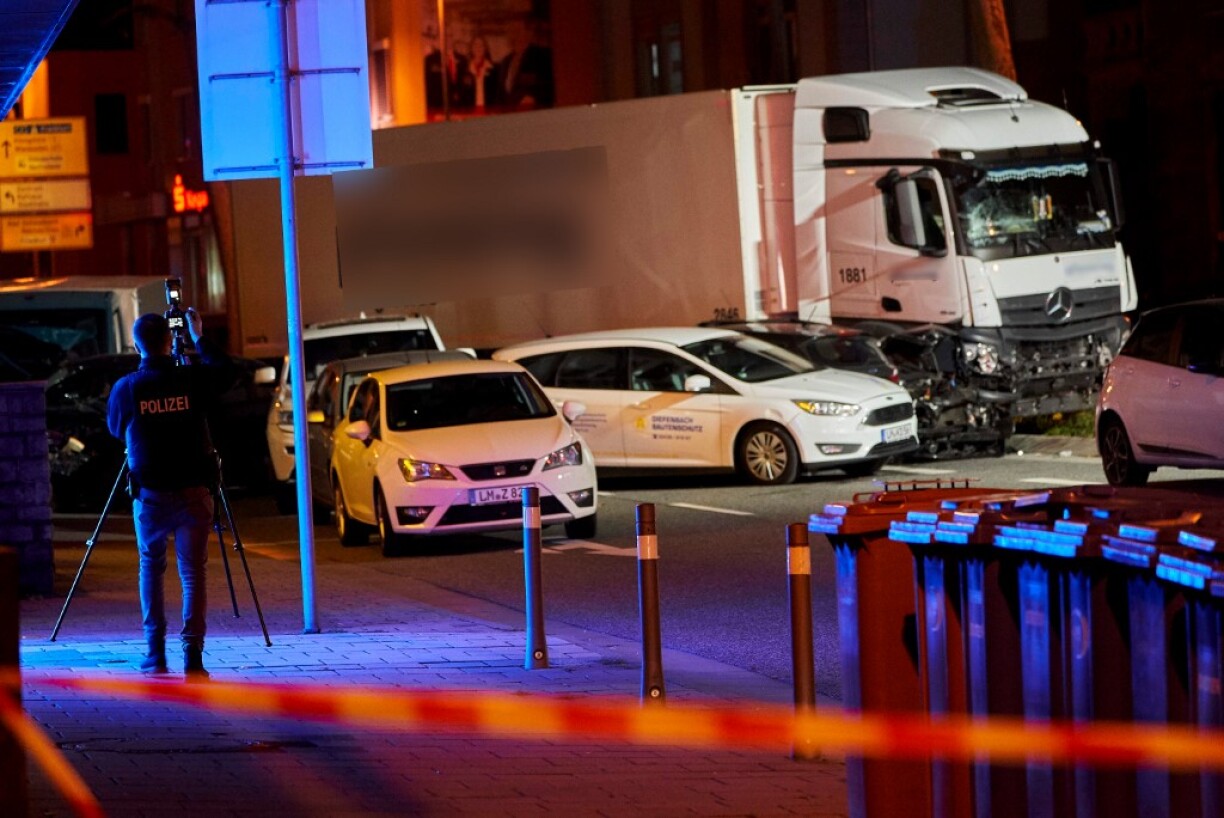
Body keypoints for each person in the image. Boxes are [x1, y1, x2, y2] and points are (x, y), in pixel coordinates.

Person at [106, 309, 233, 678]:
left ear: (136, 345)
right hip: (195, 492)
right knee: (193, 573)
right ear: (169, 341)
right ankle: (193, 657)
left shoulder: (127, 387)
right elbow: (226, 372)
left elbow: (116, 429)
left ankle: (155, 653)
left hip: (151, 495)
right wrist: (198, 337)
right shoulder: (191, 378)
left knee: (151, 567)